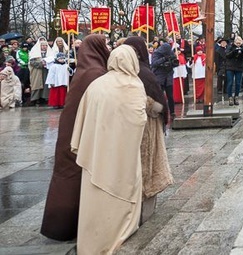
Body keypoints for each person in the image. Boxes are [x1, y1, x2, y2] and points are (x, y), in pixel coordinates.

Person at [71, 45, 147, 253]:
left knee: (95, 198)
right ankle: (118, 233)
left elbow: (82, 118)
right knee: (121, 192)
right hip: (122, 153)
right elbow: (139, 120)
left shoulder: (96, 85)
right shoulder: (133, 85)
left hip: (96, 152)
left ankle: (92, 244)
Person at [41, 35, 110, 241]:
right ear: (97, 48)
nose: (108, 47)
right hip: (79, 137)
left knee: (68, 177)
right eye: (104, 44)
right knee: (74, 179)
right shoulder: (95, 73)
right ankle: (66, 225)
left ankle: (60, 225)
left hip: (72, 134)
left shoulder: (86, 69)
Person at [123, 37, 172, 224]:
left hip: (129, 128)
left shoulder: (137, 71)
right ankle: (144, 213)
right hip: (146, 127)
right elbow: (156, 104)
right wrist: (158, 108)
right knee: (146, 167)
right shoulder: (142, 72)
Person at [150, 42, 178, 120]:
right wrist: (164, 59)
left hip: (168, 76)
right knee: (159, 95)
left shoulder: (171, 53)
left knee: (170, 96)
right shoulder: (156, 53)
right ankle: (159, 111)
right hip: (159, 76)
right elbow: (154, 64)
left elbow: (175, 62)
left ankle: (172, 111)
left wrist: (173, 62)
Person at [28, 38, 49, 105]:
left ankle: (44, 98)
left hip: (46, 71)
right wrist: (40, 64)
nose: (44, 47)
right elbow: (31, 62)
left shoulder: (49, 53)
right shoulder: (34, 52)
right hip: (37, 71)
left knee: (45, 84)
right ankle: (35, 99)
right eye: (42, 45)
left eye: (46, 45)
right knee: (36, 84)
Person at [225, 36, 243, 105]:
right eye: (237, 43)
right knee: (230, 82)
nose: (238, 44)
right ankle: (230, 97)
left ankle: (236, 96)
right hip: (230, 67)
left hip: (239, 67)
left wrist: (242, 52)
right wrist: (234, 51)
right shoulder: (230, 46)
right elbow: (227, 55)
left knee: (238, 83)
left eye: (239, 43)